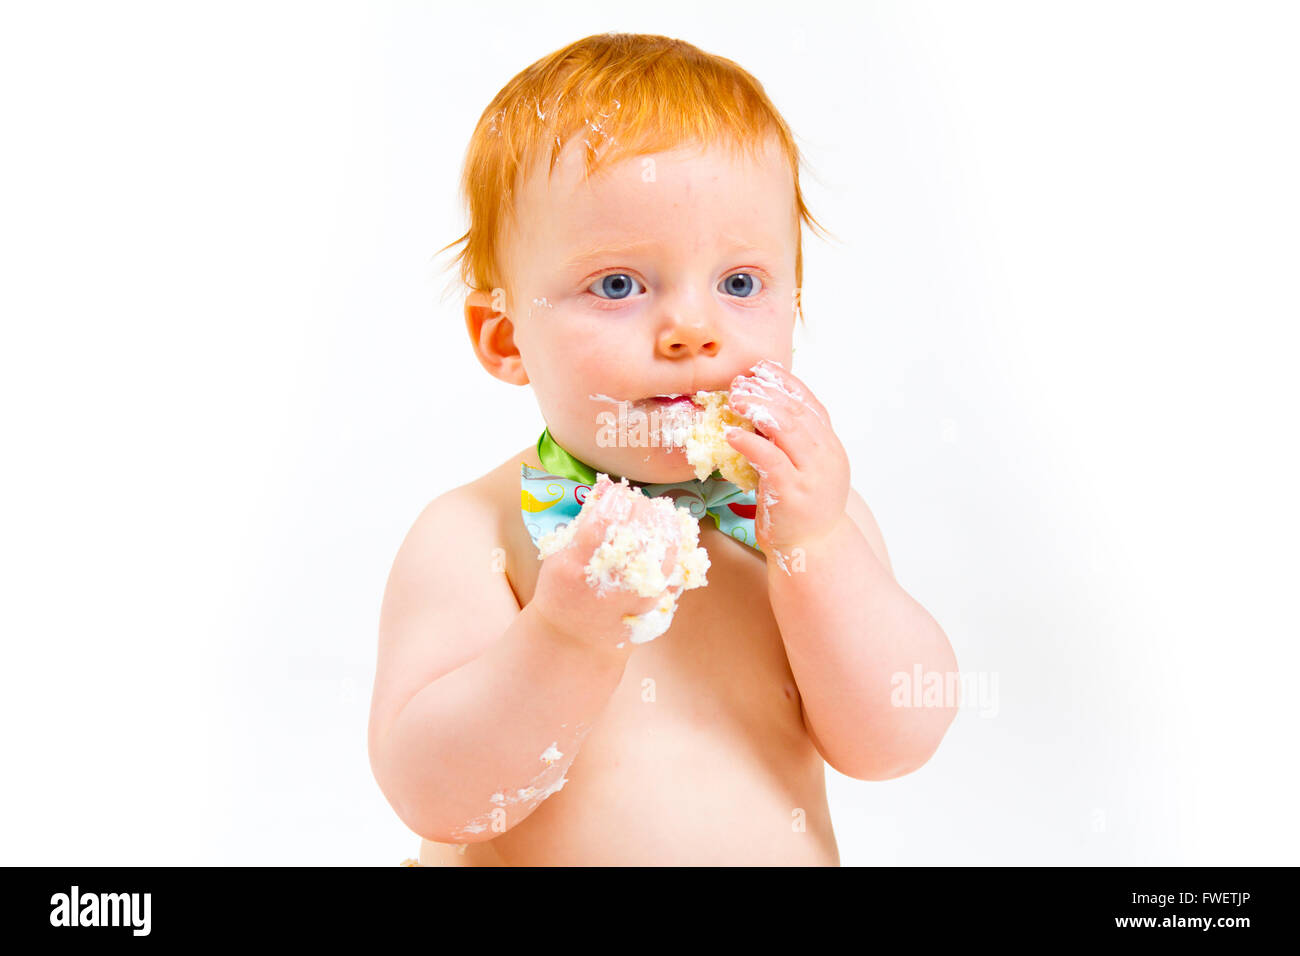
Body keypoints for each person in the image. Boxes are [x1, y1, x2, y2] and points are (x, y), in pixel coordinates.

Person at [368, 32, 959, 866]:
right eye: (618, 285)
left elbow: (895, 740)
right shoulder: (477, 532)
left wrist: (820, 551)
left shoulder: (811, 517)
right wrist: (567, 634)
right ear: (505, 337)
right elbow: (439, 796)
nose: (693, 330)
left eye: (740, 283)